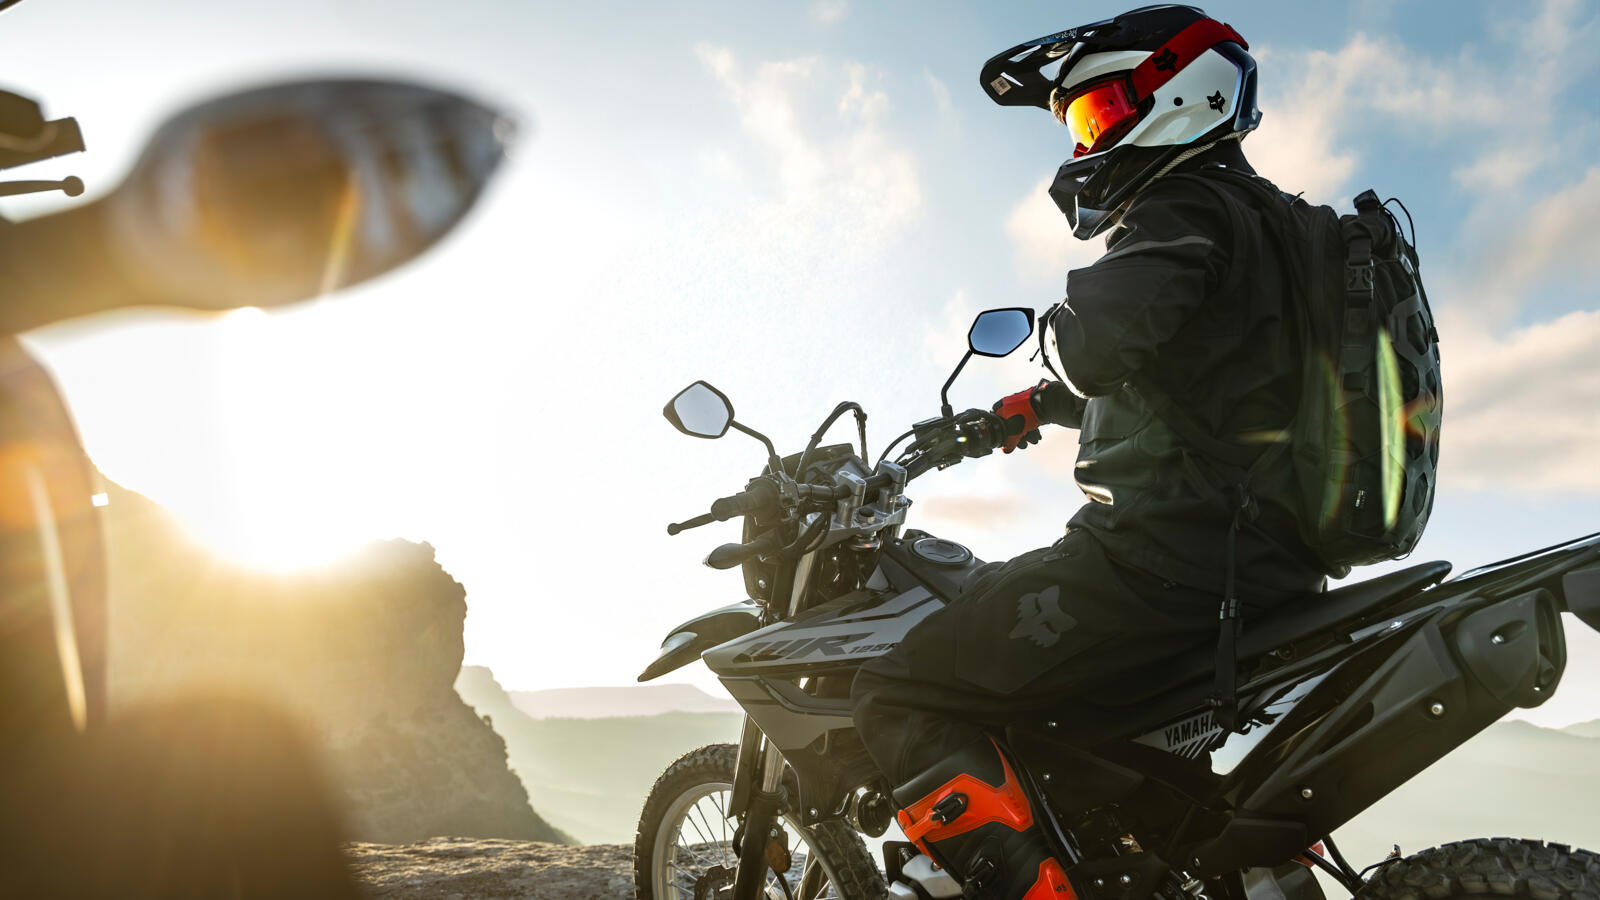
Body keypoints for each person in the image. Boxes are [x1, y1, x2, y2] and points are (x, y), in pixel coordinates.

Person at [850, 7, 1332, 898]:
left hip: (1164, 567)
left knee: (895, 691)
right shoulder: (1293, 232)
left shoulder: (1186, 206)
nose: (1087, 140)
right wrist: (1031, 411)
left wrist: (1051, 340)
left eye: (1100, 109)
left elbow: (1095, 345)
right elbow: (1209, 391)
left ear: (1185, 94)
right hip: (1273, 569)